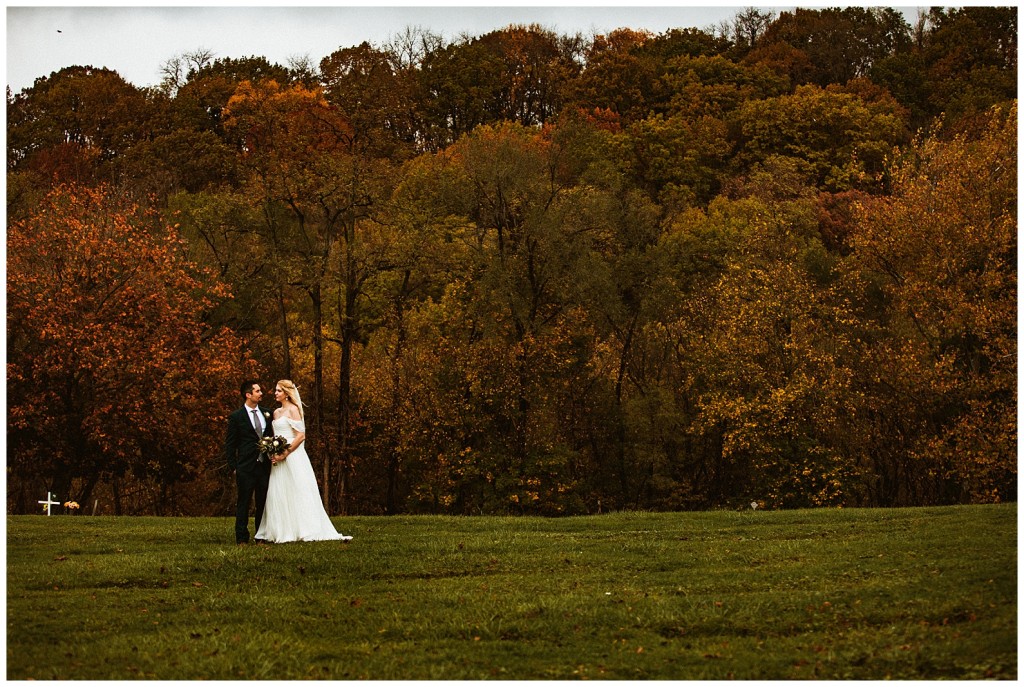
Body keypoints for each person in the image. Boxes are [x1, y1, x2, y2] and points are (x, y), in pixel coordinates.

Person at [256, 379, 352, 543]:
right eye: (276, 390)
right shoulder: (276, 413)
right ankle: (281, 529)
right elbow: (275, 436)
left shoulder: (294, 410)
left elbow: (300, 436)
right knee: (279, 491)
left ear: (286, 393)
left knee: (298, 489)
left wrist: (284, 453)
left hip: (293, 456)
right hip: (278, 457)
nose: (275, 393)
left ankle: (304, 528)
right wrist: (273, 449)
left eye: (278, 390)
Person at [223, 379, 274, 545]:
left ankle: (261, 536)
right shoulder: (237, 417)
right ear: (248, 395)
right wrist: (234, 467)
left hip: (264, 465)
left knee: (263, 503)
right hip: (245, 466)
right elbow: (230, 444)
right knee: (243, 502)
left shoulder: (268, 413)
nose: (261, 394)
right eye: (258, 391)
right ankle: (242, 537)